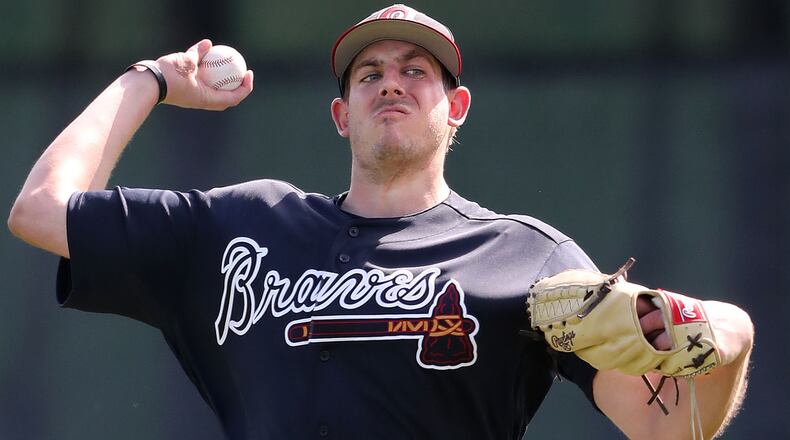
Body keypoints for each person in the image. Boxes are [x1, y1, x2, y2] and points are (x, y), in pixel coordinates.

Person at [8, 4, 753, 439]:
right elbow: (41, 211)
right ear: (342, 115)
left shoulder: (526, 258)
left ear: (455, 108)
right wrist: (149, 79)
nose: (390, 82)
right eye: (369, 74)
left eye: (415, 71)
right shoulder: (242, 227)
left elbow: (663, 427)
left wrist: (731, 339)